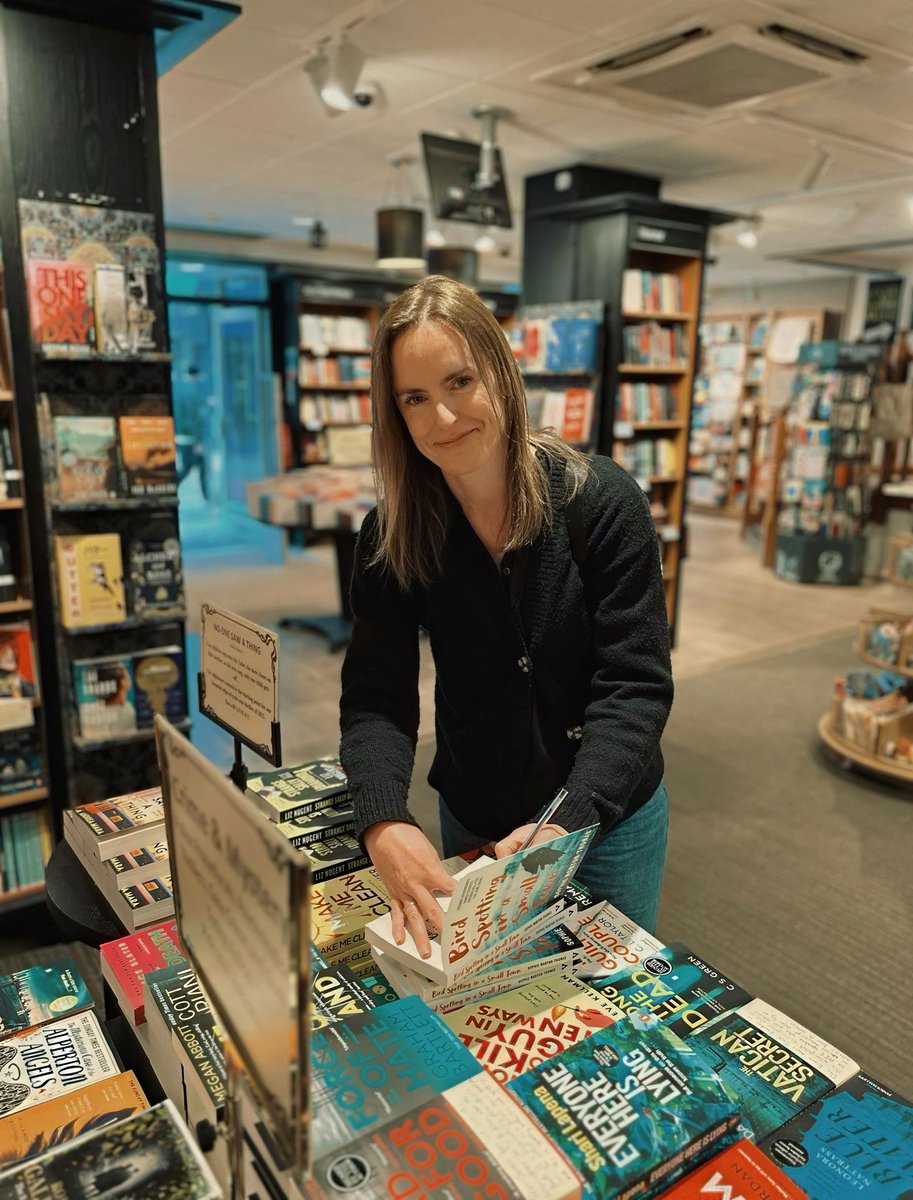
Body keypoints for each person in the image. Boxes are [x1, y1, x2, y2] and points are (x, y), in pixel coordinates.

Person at [339, 276, 673, 960]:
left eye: (459, 382)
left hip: (606, 821)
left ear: (500, 369)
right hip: (475, 811)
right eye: (414, 399)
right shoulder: (392, 534)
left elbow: (634, 685)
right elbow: (376, 697)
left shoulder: (600, 501)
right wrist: (381, 821)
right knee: (480, 1010)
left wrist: (566, 823)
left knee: (613, 1004)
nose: (442, 418)